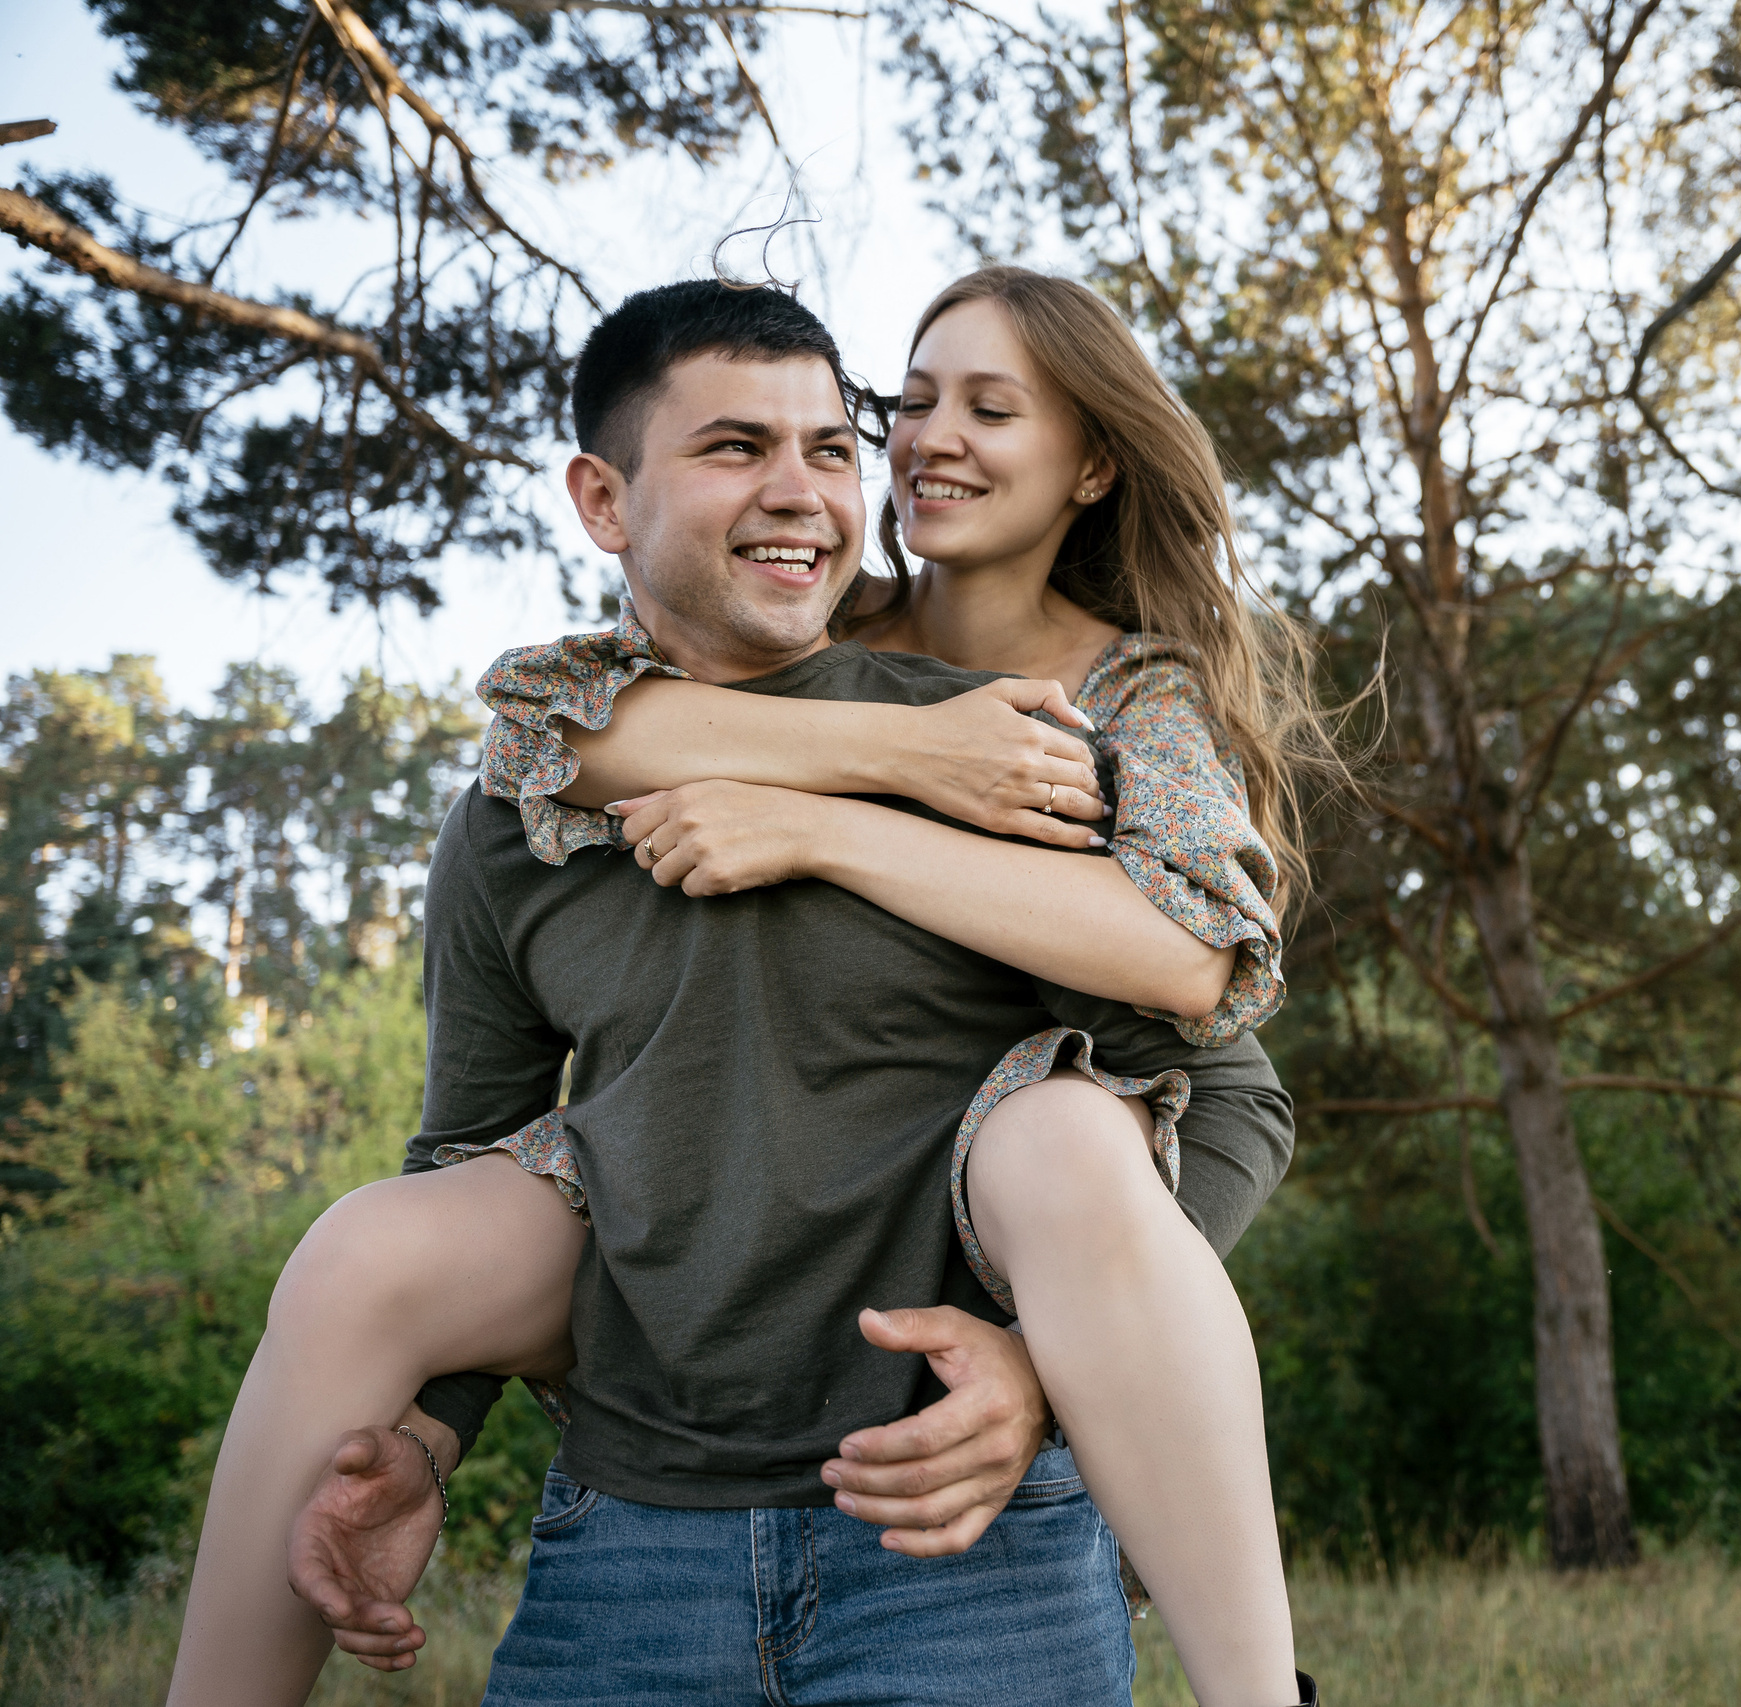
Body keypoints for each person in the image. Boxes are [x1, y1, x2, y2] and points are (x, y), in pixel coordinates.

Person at [163, 276, 1321, 1707]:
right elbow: (472, 1137)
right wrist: (430, 1437)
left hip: (964, 1541)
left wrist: (1041, 1368)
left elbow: (1215, 1038)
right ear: (604, 499)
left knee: (1071, 1134)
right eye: (736, 448)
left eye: (831, 446)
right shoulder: (544, 787)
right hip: (630, 1546)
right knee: (361, 1247)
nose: (815, 486)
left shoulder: (1014, 744)